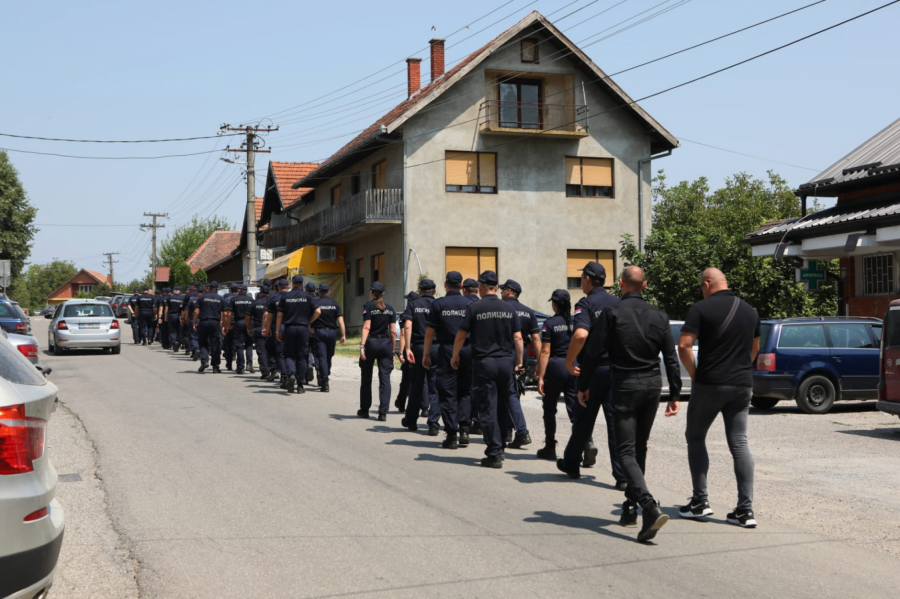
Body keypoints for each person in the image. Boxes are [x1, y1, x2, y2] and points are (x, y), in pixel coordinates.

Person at [577, 266, 681, 542]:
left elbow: (593, 351)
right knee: (639, 448)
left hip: (625, 384)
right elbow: (670, 357)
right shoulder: (660, 315)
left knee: (625, 451)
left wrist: (583, 385)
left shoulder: (612, 313)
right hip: (652, 386)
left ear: (621, 284)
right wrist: (674, 394)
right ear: (644, 285)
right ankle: (630, 506)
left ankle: (648, 504)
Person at [677, 267, 759, 528]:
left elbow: (684, 345)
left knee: (696, 436)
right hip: (742, 383)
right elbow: (755, 347)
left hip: (710, 383)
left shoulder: (701, 309)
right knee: (739, 443)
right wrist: (740, 368)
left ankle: (700, 502)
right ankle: (745, 511)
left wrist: (695, 374)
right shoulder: (750, 310)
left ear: (706, 284)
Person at [559, 261, 626, 488]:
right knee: (615, 424)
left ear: (587, 279)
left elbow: (580, 335)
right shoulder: (618, 302)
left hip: (594, 371)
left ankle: (572, 464)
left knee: (583, 420)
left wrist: (569, 361)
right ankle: (622, 476)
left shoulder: (585, 304)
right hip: (617, 370)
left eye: (581, 278)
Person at [451, 270, 523, 468]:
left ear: (481, 287)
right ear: (497, 287)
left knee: (487, 407)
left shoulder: (474, 307)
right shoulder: (509, 308)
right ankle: (501, 446)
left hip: (485, 363)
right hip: (505, 362)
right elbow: (518, 337)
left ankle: (494, 452)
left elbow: (461, 335)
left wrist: (455, 355)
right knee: (502, 405)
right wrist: (518, 361)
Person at [423, 271, 473, 449]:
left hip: (447, 350)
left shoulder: (438, 304)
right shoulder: (470, 303)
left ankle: (452, 434)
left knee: (447, 391)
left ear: (445, 285)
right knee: (465, 390)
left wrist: (426, 354)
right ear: (461, 286)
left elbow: (430, 333)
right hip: (468, 349)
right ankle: (465, 430)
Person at [535, 289, 577, 460]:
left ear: (554, 304)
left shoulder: (550, 323)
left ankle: (550, 446)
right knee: (575, 410)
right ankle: (585, 443)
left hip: (556, 367)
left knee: (549, 409)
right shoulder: (577, 322)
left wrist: (540, 377)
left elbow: (545, 351)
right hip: (574, 367)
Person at [499, 279, 538, 449]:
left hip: (506, 353)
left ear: (509, 291)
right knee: (514, 392)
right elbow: (536, 338)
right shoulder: (529, 312)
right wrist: (539, 362)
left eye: (502, 290)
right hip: (523, 355)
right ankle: (508, 430)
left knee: (507, 394)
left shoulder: (503, 309)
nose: (500, 293)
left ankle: (518, 431)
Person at [401, 279, 440, 435]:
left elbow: (407, 326)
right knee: (435, 386)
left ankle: (411, 420)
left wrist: (407, 348)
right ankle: (434, 423)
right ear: (434, 291)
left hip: (418, 346)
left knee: (416, 384)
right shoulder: (438, 304)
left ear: (420, 291)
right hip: (436, 347)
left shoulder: (413, 304)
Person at [358, 281, 397, 421]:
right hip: (385, 344)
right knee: (385, 379)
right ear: (383, 293)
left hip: (372, 343)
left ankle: (364, 410)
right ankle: (383, 413)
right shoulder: (390, 309)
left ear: (371, 292)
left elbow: (366, 327)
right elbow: (393, 332)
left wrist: (362, 346)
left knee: (366, 377)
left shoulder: (368, 307)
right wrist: (393, 350)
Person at [276, 275, 320, 393]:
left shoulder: (286, 296)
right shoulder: (307, 296)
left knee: (289, 354)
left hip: (289, 328)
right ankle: (300, 385)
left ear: (292, 283)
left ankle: (291, 374)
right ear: (302, 284)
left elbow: (279, 315)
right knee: (302, 356)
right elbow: (318, 311)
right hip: (303, 328)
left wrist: (278, 330)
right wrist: (309, 321)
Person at [311, 283, 345, 392]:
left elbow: (311, 316)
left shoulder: (315, 303)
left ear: (319, 292)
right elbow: (340, 321)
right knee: (329, 356)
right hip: (332, 333)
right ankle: (325, 373)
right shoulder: (335, 304)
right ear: (329, 292)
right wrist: (343, 335)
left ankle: (324, 381)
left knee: (322, 357)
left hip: (319, 332)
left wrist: (309, 325)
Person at [395, 291, 418, 412]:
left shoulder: (405, 315)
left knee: (406, 379)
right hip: (421, 346)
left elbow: (403, 334)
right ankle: (424, 406)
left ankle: (402, 403)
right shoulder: (423, 312)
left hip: (409, 347)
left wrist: (401, 352)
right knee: (421, 379)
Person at [194, 281, 224, 373]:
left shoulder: (201, 297)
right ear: (217, 289)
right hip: (215, 322)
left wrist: (194, 322)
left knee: (203, 342)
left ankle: (204, 361)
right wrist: (222, 323)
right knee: (215, 344)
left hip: (204, 322)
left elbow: (196, 311)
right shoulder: (220, 298)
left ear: (209, 288)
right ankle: (215, 366)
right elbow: (224, 313)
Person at [264, 279, 289, 382]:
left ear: (277, 287)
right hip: (291, 325)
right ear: (288, 286)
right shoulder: (292, 297)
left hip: (276, 326)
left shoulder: (273, 298)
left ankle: (276, 370)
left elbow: (268, 315)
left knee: (275, 350)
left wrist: (267, 328)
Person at [228, 284, 254, 374]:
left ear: (239, 290)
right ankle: (249, 365)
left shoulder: (234, 299)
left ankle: (240, 366)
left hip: (238, 323)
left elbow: (229, 313)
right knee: (249, 345)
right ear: (246, 291)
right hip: (249, 322)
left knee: (239, 345)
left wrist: (228, 324)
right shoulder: (251, 300)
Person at [248, 286, 271, 380]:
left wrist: (249, 328)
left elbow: (248, 317)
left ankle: (265, 372)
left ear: (260, 293)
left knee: (262, 351)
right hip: (271, 329)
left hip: (259, 328)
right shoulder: (272, 301)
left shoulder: (255, 303)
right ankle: (275, 370)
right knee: (272, 351)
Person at [222, 284, 238, 370]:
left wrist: (225, 325)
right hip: (239, 322)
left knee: (228, 344)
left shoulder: (226, 299)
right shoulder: (239, 298)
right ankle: (240, 365)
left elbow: (225, 314)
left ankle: (229, 363)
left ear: (230, 290)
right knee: (239, 343)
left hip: (230, 322)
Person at [165, 286, 184, 352]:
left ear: (173, 291)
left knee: (172, 330)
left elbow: (166, 308)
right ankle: (178, 344)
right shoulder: (182, 298)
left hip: (172, 315)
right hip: (179, 315)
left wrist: (166, 317)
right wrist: (182, 317)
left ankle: (174, 341)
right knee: (179, 331)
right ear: (179, 291)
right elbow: (183, 309)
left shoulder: (169, 297)